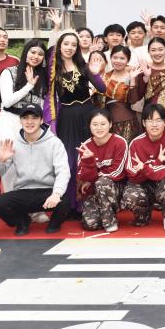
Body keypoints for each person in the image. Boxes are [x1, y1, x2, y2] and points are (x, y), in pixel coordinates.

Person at [0, 103, 71, 235]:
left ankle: (55, 223)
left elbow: (63, 171)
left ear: (41, 120)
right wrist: (0, 160)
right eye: (25, 118)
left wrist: (56, 193)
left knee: (65, 200)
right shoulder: (14, 143)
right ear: (20, 120)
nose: (29, 122)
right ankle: (22, 221)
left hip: (46, 192)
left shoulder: (54, 142)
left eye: (34, 118)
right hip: (23, 192)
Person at [46, 32, 105, 211]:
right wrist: (56, 29)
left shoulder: (83, 66)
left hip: (87, 115)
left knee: (88, 158)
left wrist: (95, 74)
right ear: (59, 46)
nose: (70, 47)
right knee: (69, 161)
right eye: (66, 43)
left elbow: (102, 88)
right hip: (67, 117)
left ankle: (88, 204)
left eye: (73, 44)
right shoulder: (53, 69)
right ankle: (70, 204)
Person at [123, 103, 165, 230]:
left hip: (163, 183)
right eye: (150, 121)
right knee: (131, 194)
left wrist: (146, 168)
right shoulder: (135, 143)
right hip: (144, 184)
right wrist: (157, 162)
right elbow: (132, 174)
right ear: (144, 123)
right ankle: (144, 214)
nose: (154, 125)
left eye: (158, 120)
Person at [76, 109, 128, 232]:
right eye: (95, 124)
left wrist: (93, 179)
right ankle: (104, 213)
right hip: (95, 191)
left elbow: (117, 172)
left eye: (103, 124)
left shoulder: (120, 142)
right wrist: (89, 161)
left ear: (110, 124)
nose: (99, 128)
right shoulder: (85, 147)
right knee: (90, 224)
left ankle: (110, 222)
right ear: (89, 126)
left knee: (102, 182)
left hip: (117, 188)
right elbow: (82, 175)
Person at [0, 39, 47, 152]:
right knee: (8, 158)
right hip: (9, 120)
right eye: (33, 52)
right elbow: (7, 102)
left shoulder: (42, 77)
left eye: (40, 54)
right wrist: (29, 85)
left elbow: (42, 103)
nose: (36, 56)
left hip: (32, 123)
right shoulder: (9, 72)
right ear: (26, 53)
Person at [130, 37, 165, 130]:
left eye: (160, 49)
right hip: (149, 118)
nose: (157, 53)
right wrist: (145, 77)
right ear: (149, 52)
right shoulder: (144, 69)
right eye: (153, 50)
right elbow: (135, 98)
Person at [101, 45, 138, 142]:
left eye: (122, 58)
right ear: (110, 58)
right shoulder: (105, 76)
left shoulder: (132, 76)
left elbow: (133, 100)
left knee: (124, 148)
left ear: (128, 60)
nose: (118, 61)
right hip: (105, 121)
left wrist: (133, 80)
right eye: (115, 57)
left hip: (125, 121)